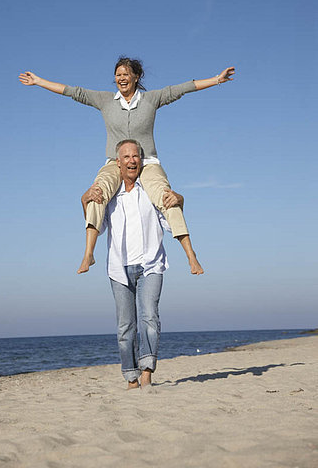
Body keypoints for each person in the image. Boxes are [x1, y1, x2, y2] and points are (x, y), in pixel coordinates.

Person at [19, 57, 235, 273]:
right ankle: (88, 254)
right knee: (97, 192)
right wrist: (39, 81)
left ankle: (190, 254)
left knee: (167, 197)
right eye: (118, 75)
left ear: (136, 77)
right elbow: (73, 92)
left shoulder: (151, 99)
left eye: (125, 74)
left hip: (147, 161)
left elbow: (183, 88)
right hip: (115, 163)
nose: (121, 78)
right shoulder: (105, 101)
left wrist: (217, 79)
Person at [81, 139, 202, 389]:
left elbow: (170, 221)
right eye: (126, 157)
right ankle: (131, 377)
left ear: (141, 160)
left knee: (150, 319)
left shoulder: (150, 191)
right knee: (125, 327)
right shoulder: (112, 196)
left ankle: (147, 372)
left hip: (151, 265)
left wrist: (180, 198)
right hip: (119, 268)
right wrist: (84, 200)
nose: (131, 160)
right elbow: (99, 227)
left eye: (135, 156)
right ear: (118, 163)